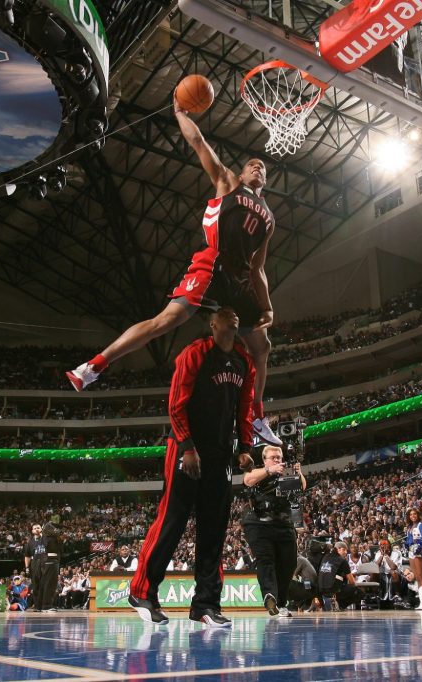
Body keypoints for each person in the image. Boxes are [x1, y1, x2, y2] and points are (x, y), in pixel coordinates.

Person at [67, 93, 281, 447]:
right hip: (211, 263)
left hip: (238, 280)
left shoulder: (270, 219)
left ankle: (256, 417)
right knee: (164, 322)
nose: (258, 168)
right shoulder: (228, 183)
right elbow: (198, 142)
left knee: (262, 347)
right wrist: (180, 112)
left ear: (266, 181)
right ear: (243, 172)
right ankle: (92, 367)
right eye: (253, 164)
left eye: (264, 168)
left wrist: (267, 304)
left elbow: (258, 268)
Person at [128, 306, 256, 628]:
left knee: (214, 530)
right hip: (187, 450)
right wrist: (187, 447)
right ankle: (142, 591)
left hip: (220, 454)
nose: (233, 316)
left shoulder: (244, 359)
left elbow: (245, 408)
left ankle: (206, 604)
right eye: (225, 314)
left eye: (234, 313)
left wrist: (244, 446)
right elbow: (175, 404)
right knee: (173, 520)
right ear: (213, 323)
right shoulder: (195, 353)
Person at [242, 444, 306, 618]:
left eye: (279, 457)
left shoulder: (287, 471)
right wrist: (270, 470)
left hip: (283, 523)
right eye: (273, 457)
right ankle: (269, 596)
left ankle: (280, 603)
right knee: (266, 559)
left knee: (289, 562)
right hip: (258, 523)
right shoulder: (257, 471)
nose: (278, 460)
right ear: (264, 460)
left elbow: (302, 488)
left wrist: (298, 472)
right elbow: (247, 480)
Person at [403, 507, 422, 610]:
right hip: (411, 552)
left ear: (418, 515)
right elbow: (409, 540)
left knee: (421, 576)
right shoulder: (410, 527)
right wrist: (406, 545)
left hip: (418, 552)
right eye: (411, 515)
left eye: (414, 514)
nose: (413, 516)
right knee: (417, 576)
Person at [317, 542, 357, 610]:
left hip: (319, 589)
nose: (346, 552)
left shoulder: (325, 557)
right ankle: (340, 605)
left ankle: (327, 604)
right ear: (338, 549)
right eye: (344, 549)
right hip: (331, 589)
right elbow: (352, 582)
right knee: (358, 592)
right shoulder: (342, 561)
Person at [23, 524, 47, 610]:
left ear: (41, 529)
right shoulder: (30, 542)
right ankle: (37, 606)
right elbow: (27, 556)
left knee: (45, 585)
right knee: (36, 585)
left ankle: (46, 605)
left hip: (45, 563)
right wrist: (27, 567)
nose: (36, 529)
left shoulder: (46, 539)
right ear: (32, 531)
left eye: (38, 528)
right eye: (35, 528)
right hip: (35, 564)